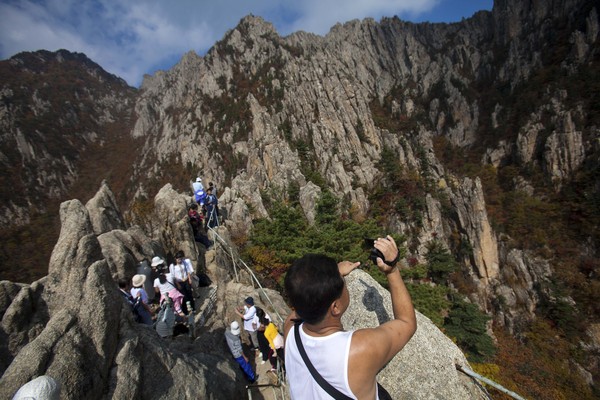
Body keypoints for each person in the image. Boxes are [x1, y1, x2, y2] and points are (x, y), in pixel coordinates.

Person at [283, 235, 416, 400]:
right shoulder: (358, 349)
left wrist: (329, 278)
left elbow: (303, 300)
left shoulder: (290, 330)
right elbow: (406, 322)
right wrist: (392, 270)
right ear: (335, 307)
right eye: (342, 282)